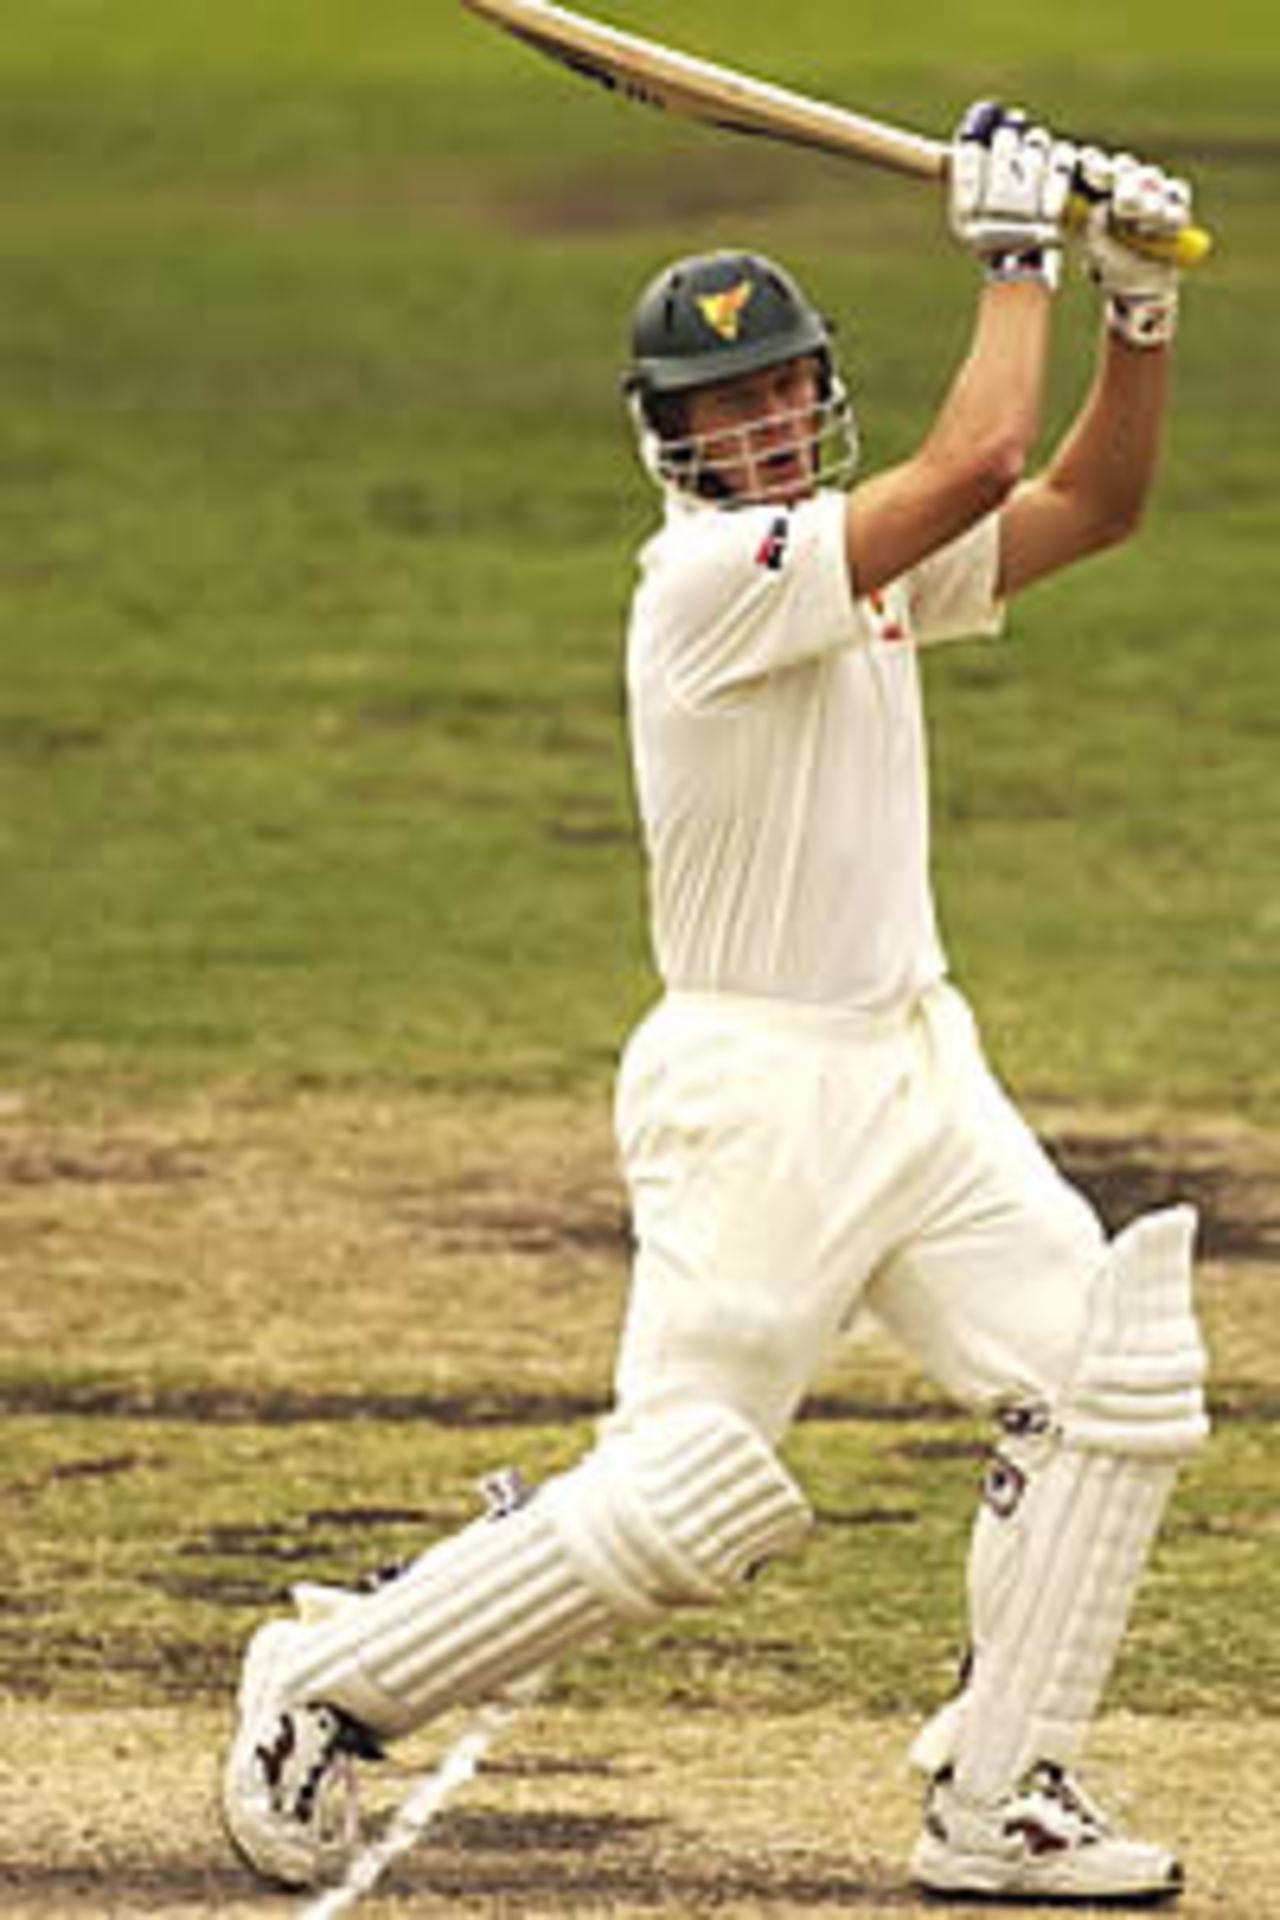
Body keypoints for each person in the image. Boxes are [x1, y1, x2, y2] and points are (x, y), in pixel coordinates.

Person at [221, 102, 1209, 1905]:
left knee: (1110, 1388)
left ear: (814, 392)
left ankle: (1000, 1796)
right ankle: (326, 1683)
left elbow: (1092, 502)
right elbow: (985, 458)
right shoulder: (706, 585)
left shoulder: (856, 552)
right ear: (669, 439)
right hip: (752, 1095)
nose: (753, 429)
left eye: (775, 395)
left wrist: (1136, 303)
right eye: (717, 409)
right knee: (684, 1497)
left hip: (917, 1062)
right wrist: (1014, 258)